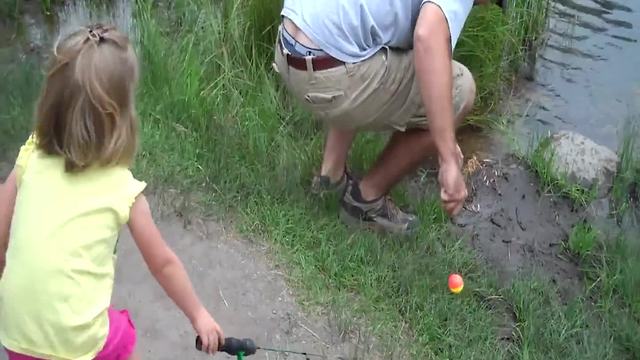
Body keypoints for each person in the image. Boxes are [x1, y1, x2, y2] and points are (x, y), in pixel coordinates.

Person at [0, 24, 224, 360]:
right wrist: (199, 315)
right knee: (122, 334)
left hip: (16, 335)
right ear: (119, 118)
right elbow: (162, 263)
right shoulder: (123, 190)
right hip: (78, 344)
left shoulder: (31, 156)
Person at [274, 1, 493, 234]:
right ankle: (365, 201)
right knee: (460, 89)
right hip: (327, 75)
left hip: (288, 46)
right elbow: (427, 37)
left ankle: (330, 178)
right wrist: (448, 156)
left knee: (372, 32)